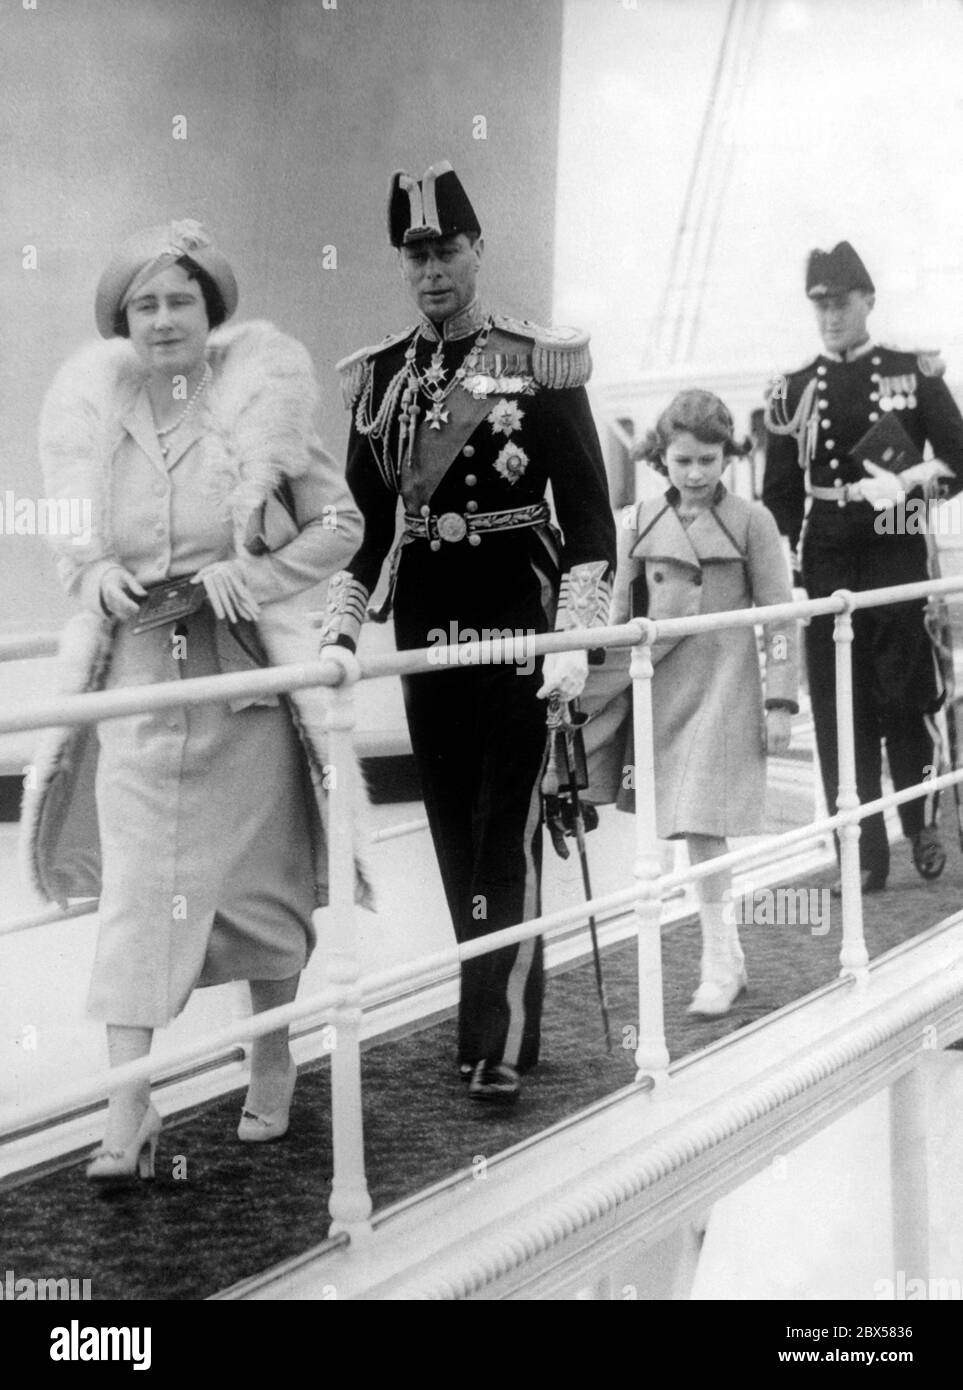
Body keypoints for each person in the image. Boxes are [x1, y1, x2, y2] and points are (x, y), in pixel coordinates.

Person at [23, 219, 365, 1181]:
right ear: (122, 320)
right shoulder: (93, 411)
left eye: (181, 300)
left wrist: (256, 578)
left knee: (261, 893)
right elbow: (65, 533)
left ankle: (270, 1052)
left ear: (211, 311)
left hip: (243, 683)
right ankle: (128, 1112)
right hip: (137, 688)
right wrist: (87, 574)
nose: (164, 319)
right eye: (145, 304)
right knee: (136, 902)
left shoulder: (260, 404)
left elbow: (342, 523)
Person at [321, 161, 616, 1103]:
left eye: (446, 249)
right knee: (455, 825)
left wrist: (574, 637)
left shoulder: (538, 359)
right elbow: (363, 528)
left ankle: (496, 1038)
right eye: (415, 255)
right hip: (426, 628)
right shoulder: (381, 380)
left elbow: (592, 520)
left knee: (507, 824)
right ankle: (486, 1019)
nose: (431, 270)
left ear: (478, 249)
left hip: (517, 620)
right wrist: (339, 631)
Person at [580, 389, 799, 1016]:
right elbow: (616, 612)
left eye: (708, 459)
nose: (697, 473)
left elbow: (783, 620)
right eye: (683, 461)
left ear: (727, 455)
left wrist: (780, 703)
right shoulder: (640, 520)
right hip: (660, 688)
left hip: (725, 686)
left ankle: (716, 961)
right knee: (679, 828)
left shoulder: (754, 521)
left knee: (701, 826)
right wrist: (590, 681)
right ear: (662, 459)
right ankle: (726, 955)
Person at [763, 241, 963, 892]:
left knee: (902, 693)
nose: (829, 316)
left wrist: (910, 492)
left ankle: (918, 819)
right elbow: (779, 495)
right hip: (826, 551)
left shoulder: (913, 372)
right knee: (836, 699)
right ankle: (859, 850)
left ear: (867, 302)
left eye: (841, 303)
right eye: (819, 305)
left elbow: (958, 463)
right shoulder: (792, 389)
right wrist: (787, 572)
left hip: (894, 540)